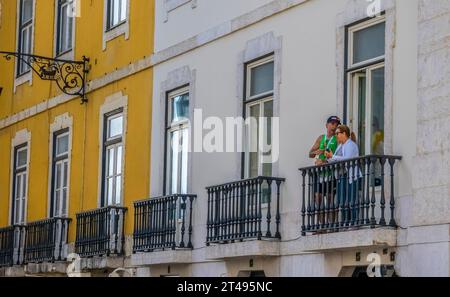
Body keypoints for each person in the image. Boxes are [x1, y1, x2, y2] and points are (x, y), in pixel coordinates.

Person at [325, 125, 362, 226]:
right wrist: (329, 157)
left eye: (337, 133)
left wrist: (333, 156)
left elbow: (347, 158)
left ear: (344, 133)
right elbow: (336, 158)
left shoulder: (351, 145)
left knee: (352, 200)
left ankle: (354, 222)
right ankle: (346, 222)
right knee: (343, 201)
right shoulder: (340, 146)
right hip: (343, 176)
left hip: (352, 176)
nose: (336, 135)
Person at [308, 116, 341, 228]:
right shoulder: (321, 138)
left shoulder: (337, 138)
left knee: (331, 199)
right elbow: (310, 153)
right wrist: (319, 151)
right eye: (332, 123)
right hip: (320, 173)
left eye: (336, 124)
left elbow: (340, 155)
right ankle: (322, 225)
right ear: (326, 125)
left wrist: (325, 161)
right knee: (318, 198)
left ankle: (331, 225)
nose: (334, 126)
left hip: (331, 173)